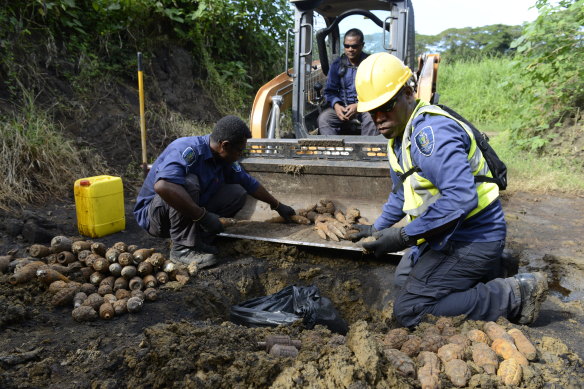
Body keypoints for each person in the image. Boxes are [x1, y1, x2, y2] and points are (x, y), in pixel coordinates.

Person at [350, 52, 548, 328]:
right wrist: (377, 228)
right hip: (444, 235)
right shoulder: (399, 138)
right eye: (372, 111)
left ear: (408, 93)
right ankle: (492, 271)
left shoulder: (430, 134)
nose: (379, 117)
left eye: (387, 106)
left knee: (410, 311)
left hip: (472, 236)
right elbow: (401, 193)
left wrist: (403, 236)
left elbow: (460, 198)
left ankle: (514, 294)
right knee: (403, 280)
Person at [133, 115, 295, 268]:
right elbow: (163, 187)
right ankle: (181, 250)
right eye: (239, 150)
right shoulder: (188, 149)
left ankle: (197, 241)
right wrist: (202, 216)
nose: (240, 155)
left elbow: (249, 183)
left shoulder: (222, 157)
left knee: (237, 192)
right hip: (155, 218)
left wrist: (277, 205)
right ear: (224, 145)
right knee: (188, 183)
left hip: (183, 211)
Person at [317, 28, 377, 136]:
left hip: (367, 108)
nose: (350, 49)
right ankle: (333, 150)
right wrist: (336, 105)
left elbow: (378, 92)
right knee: (324, 119)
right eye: (346, 46)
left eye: (354, 46)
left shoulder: (372, 64)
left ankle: (366, 150)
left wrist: (359, 106)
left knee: (372, 119)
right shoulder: (337, 65)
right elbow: (330, 91)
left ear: (362, 45)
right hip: (343, 107)